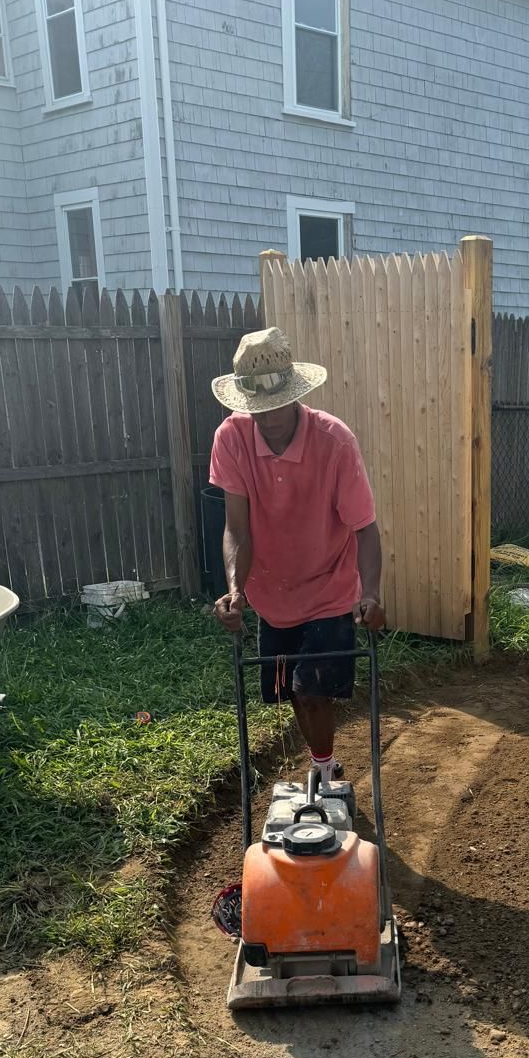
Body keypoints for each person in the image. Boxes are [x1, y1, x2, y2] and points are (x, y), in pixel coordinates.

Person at [208, 327, 385, 787]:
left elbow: (364, 528)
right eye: (255, 410)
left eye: (274, 406)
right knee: (292, 691)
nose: (265, 419)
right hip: (272, 593)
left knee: (311, 688)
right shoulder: (231, 438)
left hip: (329, 587)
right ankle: (325, 762)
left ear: (294, 394)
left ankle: (324, 773)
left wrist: (371, 594)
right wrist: (235, 590)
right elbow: (237, 529)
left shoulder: (334, 441)